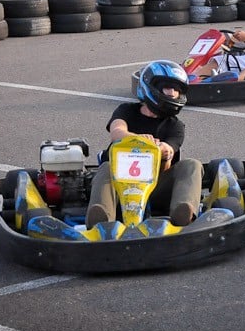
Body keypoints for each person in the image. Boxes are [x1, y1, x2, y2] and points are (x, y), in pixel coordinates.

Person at [85, 60, 203, 229]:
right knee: (105, 167)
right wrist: (140, 141)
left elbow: (170, 149)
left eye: (176, 90)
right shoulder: (126, 111)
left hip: (155, 187)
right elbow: (117, 132)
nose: (172, 93)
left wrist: (162, 150)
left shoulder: (175, 126)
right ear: (150, 87)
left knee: (192, 165)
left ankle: (183, 213)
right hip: (118, 186)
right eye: (167, 87)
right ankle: (101, 220)